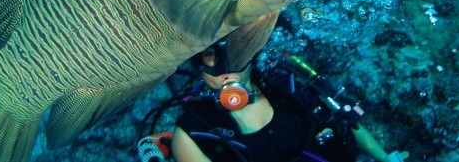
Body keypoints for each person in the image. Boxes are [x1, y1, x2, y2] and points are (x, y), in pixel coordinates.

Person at [151, 40, 408, 162]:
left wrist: (385, 158)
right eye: (210, 55)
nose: (227, 70)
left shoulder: (287, 84)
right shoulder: (193, 131)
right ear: (198, 65)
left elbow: (343, 122)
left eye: (235, 53)